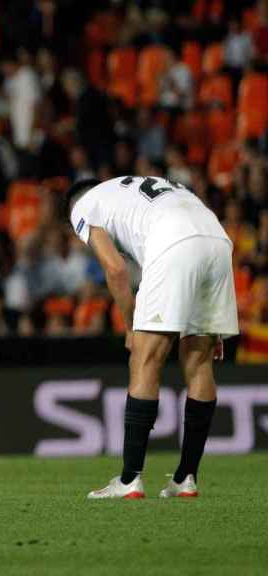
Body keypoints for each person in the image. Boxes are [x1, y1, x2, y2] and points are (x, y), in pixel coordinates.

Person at [64, 176, 237, 499]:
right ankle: (186, 479)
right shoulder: (136, 189)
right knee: (198, 361)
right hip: (217, 240)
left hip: (174, 241)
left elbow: (114, 269)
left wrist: (131, 325)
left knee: (145, 358)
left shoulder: (83, 206)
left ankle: (130, 480)